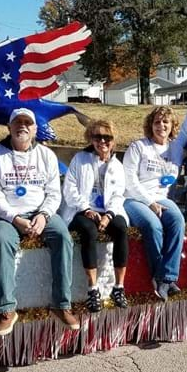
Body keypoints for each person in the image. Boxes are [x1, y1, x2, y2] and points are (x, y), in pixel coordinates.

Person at [0, 107, 77, 335]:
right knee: (1, 239)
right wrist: (15, 219)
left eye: (27, 123)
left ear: (35, 129)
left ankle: (61, 305)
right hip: (7, 216)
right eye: (17, 122)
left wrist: (44, 216)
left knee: (63, 236)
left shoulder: (46, 155)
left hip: (40, 212)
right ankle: (6, 309)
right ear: (9, 127)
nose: (22, 126)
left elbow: (55, 192)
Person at [60, 120, 130, 312]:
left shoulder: (117, 165)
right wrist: (85, 209)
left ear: (114, 141)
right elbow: (70, 188)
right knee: (88, 230)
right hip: (81, 209)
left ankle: (119, 287)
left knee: (121, 229)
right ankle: (93, 289)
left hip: (108, 209)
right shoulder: (80, 159)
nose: (102, 141)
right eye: (97, 137)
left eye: (107, 137)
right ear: (90, 139)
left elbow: (119, 194)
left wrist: (108, 215)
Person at [123, 106, 185, 301]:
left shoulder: (174, 148)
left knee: (178, 221)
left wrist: (168, 181)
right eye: (157, 122)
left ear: (172, 125)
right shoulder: (138, 147)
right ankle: (159, 278)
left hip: (161, 197)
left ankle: (167, 277)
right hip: (134, 198)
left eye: (165, 122)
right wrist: (149, 203)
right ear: (151, 125)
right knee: (153, 225)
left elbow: (174, 170)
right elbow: (129, 180)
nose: (161, 126)